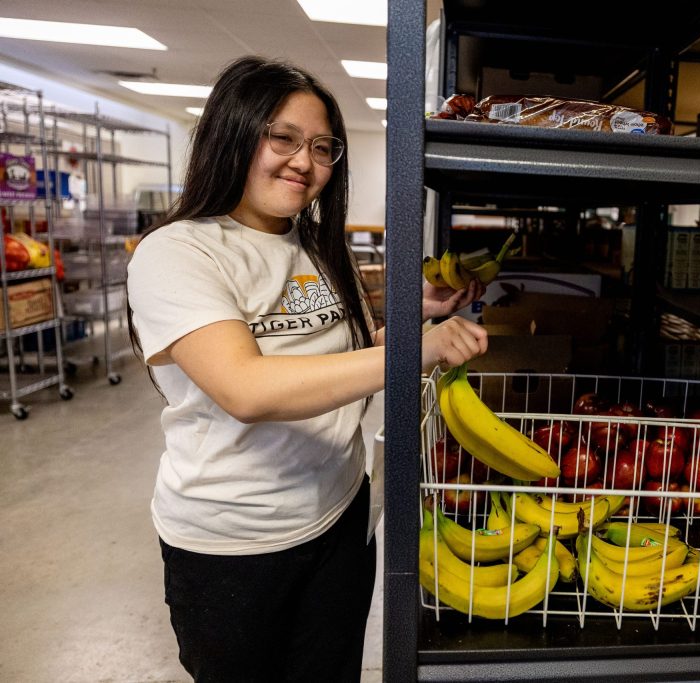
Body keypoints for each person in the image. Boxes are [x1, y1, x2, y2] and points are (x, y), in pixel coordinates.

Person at [126, 56, 487, 681]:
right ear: (232, 133)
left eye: (323, 147)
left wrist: (406, 320)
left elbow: (332, 351)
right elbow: (248, 388)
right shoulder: (178, 252)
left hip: (340, 516)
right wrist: (411, 353)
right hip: (236, 545)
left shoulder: (313, 243)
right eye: (283, 138)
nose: (305, 162)